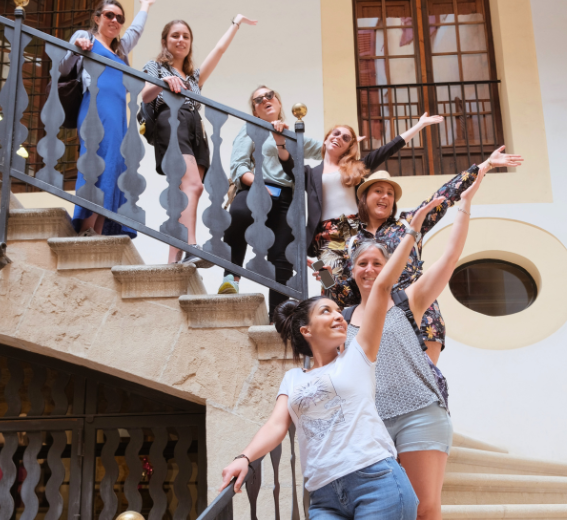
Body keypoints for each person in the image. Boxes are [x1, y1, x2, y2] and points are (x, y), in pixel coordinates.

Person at [217, 199, 444, 520]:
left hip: (377, 482)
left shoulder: (358, 354)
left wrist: (412, 232)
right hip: (324, 495)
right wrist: (244, 457)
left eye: (340, 311)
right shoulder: (293, 380)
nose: (340, 317)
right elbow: (277, 426)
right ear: (306, 330)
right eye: (328, 311)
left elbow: (382, 288)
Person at [344, 166, 484, 520]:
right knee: (384, 513)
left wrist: (465, 207)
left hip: (419, 412)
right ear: (352, 270)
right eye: (363, 264)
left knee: (425, 510)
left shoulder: (409, 300)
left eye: (378, 263)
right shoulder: (341, 320)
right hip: (371, 424)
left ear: (390, 267)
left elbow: (450, 257)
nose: (370, 269)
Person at [334, 144, 523, 363]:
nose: (385, 197)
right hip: (374, 320)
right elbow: (347, 293)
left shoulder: (408, 222)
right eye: (378, 191)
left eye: (390, 193)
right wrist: (327, 277)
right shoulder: (352, 241)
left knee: (425, 383)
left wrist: (487, 164)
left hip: (418, 310)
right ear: (364, 197)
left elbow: (445, 195)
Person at [141, 15, 256, 266]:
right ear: (165, 41)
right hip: (172, 121)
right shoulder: (156, 67)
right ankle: (191, 245)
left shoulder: (193, 78)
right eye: (175, 35)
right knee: (193, 185)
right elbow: (145, 96)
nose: (181, 40)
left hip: (196, 128)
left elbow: (219, 50)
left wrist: (235, 23)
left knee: (188, 190)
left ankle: (175, 257)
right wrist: (163, 83)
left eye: (186, 36)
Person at [304, 115, 446, 303]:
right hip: (325, 235)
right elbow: (286, 162)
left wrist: (419, 126)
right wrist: (280, 140)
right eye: (336, 133)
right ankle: (333, 317)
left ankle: (364, 317)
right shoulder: (310, 172)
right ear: (326, 138)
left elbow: (387, 150)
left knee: (361, 277)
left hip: (356, 230)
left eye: (346, 138)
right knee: (328, 278)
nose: (339, 138)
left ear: (350, 146)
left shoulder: (356, 167)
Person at [219, 86, 323, 310]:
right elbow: (239, 165)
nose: (265, 99)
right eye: (258, 99)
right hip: (256, 188)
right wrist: (256, 184)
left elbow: (324, 151)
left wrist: (349, 143)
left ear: (278, 101)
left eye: (269, 95)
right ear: (255, 111)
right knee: (237, 214)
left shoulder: (294, 136)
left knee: (282, 256)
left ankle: (277, 316)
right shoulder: (251, 129)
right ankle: (231, 277)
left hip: (286, 197)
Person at [64, 0, 154, 237]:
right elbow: (64, 67)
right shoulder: (85, 37)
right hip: (96, 107)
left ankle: (99, 231)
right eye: (109, 15)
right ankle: (85, 228)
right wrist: (77, 49)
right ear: (97, 18)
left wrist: (145, 6)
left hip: (118, 115)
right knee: (97, 161)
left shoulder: (119, 50)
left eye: (119, 18)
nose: (115, 20)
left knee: (115, 166)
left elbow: (135, 31)